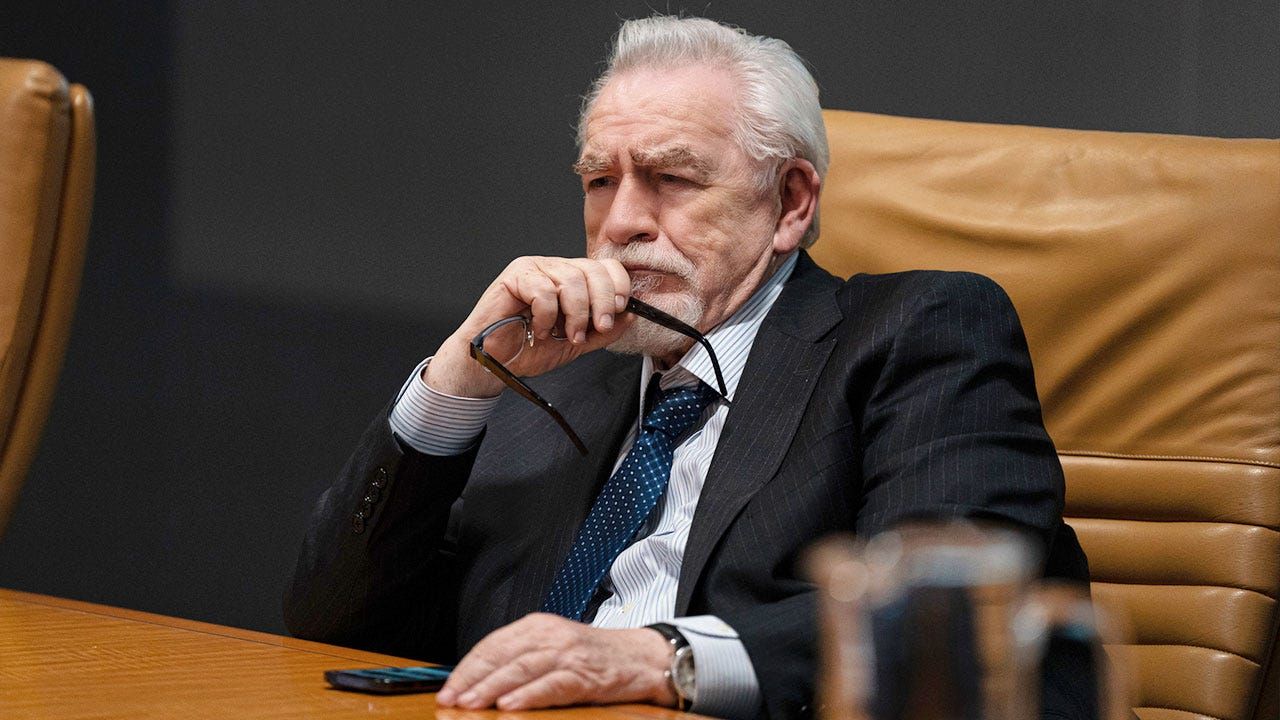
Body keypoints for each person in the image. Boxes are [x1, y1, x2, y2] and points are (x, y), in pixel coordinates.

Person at [285, 15, 1092, 720]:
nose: (622, 222)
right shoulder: (554, 378)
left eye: (672, 178)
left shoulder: (916, 334)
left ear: (791, 203)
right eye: (600, 181)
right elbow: (333, 622)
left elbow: (942, 623)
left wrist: (657, 658)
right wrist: (460, 379)